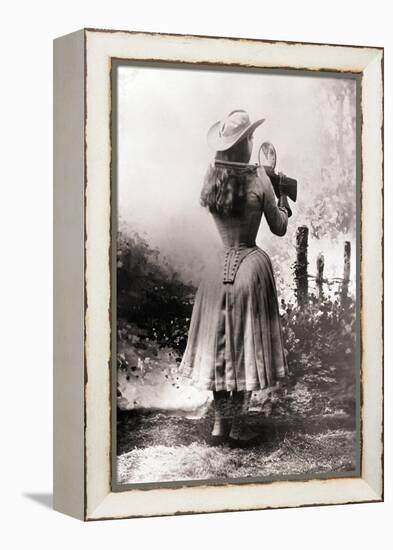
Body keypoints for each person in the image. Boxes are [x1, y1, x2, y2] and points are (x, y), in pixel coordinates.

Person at [179, 109, 291, 445]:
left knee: (219, 347)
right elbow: (280, 226)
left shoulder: (212, 177)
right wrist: (282, 198)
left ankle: (219, 427)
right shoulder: (260, 180)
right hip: (250, 266)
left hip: (217, 269)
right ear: (246, 144)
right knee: (243, 344)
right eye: (251, 138)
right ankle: (237, 425)